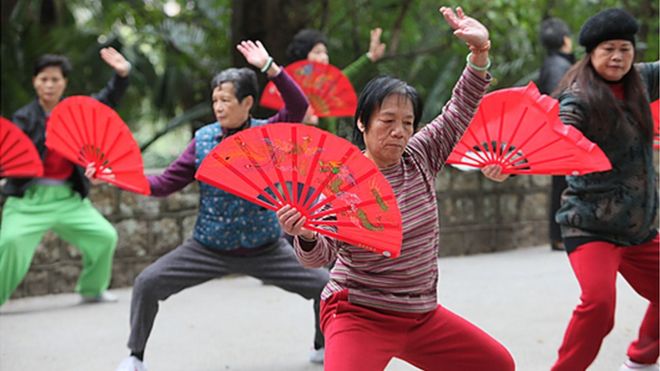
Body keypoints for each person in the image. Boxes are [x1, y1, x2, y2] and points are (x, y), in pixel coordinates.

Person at [276, 6, 515, 371]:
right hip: (357, 313)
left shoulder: (420, 155)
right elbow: (320, 256)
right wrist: (305, 234)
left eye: (407, 122)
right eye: (387, 121)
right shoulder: (341, 178)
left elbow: (458, 110)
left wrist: (479, 54)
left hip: (421, 314)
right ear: (363, 122)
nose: (399, 131)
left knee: (497, 364)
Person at [115, 40, 329, 371]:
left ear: (247, 103)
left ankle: (321, 345)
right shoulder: (202, 141)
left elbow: (298, 105)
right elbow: (162, 184)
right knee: (147, 283)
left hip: (265, 247)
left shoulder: (268, 133)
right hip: (208, 247)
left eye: (226, 100)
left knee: (325, 285)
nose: (218, 106)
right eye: (215, 100)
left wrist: (269, 65)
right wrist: (119, 177)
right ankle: (134, 356)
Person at [550, 8, 659, 371]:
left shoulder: (642, 80)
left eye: (624, 49)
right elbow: (556, 136)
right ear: (591, 53)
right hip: (590, 225)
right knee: (598, 306)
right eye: (608, 49)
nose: (617, 57)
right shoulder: (579, 97)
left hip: (639, 227)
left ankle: (642, 359)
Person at [0, 48, 131, 305]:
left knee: (104, 236)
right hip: (28, 201)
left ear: (64, 83)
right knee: (10, 242)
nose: (49, 85)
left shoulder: (76, 112)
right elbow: (9, 151)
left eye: (55, 79)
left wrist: (122, 75)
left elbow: (105, 100)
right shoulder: (23, 118)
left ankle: (92, 289)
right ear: (35, 82)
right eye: (43, 79)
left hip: (69, 199)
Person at [286, 27, 386, 135]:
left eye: (325, 53)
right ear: (303, 57)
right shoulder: (293, 87)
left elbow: (349, 74)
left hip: (329, 148)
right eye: (318, 52)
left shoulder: (326, 85)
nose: (324, 57)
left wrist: (370, 57)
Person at [538, 17, 575, 251]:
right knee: (564, 183)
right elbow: (558, 101)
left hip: (554, 131)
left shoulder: (551, 64)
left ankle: (559, 235)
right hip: (562, 132)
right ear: (565, 40)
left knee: (561, 183)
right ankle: (560, 235)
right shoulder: (561, 67)